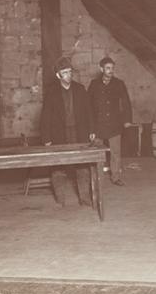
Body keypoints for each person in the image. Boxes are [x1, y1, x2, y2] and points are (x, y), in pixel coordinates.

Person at [40, 57, 95, 207]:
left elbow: (88, 111)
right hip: (59, 134)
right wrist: (46, 138)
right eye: (64, 72)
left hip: (79, 133)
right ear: (58, 75)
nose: (68, 75)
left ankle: (84, 198)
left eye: (70, 72)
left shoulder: (80, 89)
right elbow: (45, 116)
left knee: (82, 167)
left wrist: (91, 130)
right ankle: (60, 199)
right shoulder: (51, 92)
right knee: (58, 167)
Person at [88, 56, 133, 186]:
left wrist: (127, 120)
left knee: (115, 152)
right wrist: (91, 127)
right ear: (101, 69)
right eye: (107, 68)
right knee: (97, 153)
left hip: (114, 124)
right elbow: (88, 106)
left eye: (112, 68)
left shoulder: (119, 83)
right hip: (98, 125)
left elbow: (126, 102)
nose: (110, 71)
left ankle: (115, 177)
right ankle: (97, 178)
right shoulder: (94, 84)